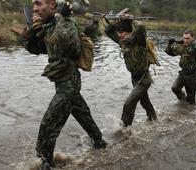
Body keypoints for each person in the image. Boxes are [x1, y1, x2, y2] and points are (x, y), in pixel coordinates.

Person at [18, 0, 106, 169]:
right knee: (81, 112)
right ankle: (99, 141)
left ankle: (45, 163)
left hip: (69, 81)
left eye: (38, 4)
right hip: (60, 80)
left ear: (52, 5)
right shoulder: (48, 25)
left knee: (48, 124)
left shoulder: (67, 21)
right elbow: (39, 49)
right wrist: (27, 36)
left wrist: (61, 17)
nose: (34, 8)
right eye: (33, 5)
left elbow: (71, 48)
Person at [104, 17, 157, 127]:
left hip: (144, 79)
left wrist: (131, 19)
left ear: (130, 32)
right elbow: (108, 31)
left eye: (122, 32)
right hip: (134, 78)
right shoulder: (122, 42)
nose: (119, 35)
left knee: (129, 104)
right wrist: (117, 21)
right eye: (118, 32)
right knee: (144, 102)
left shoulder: (140, 42)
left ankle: (125, 131)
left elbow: (141, 27)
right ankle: (154, 120)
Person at [165, 29, 196, 104]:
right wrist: (169, 44)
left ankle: (190, 109)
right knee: (175, 88)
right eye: (184, 38)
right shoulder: (181, 47)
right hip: (183, 73)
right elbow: (170, 53)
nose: (186, 40)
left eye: (188, 38)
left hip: (192, 75)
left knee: (191, 100)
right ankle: (183, 102)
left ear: (192, 38)